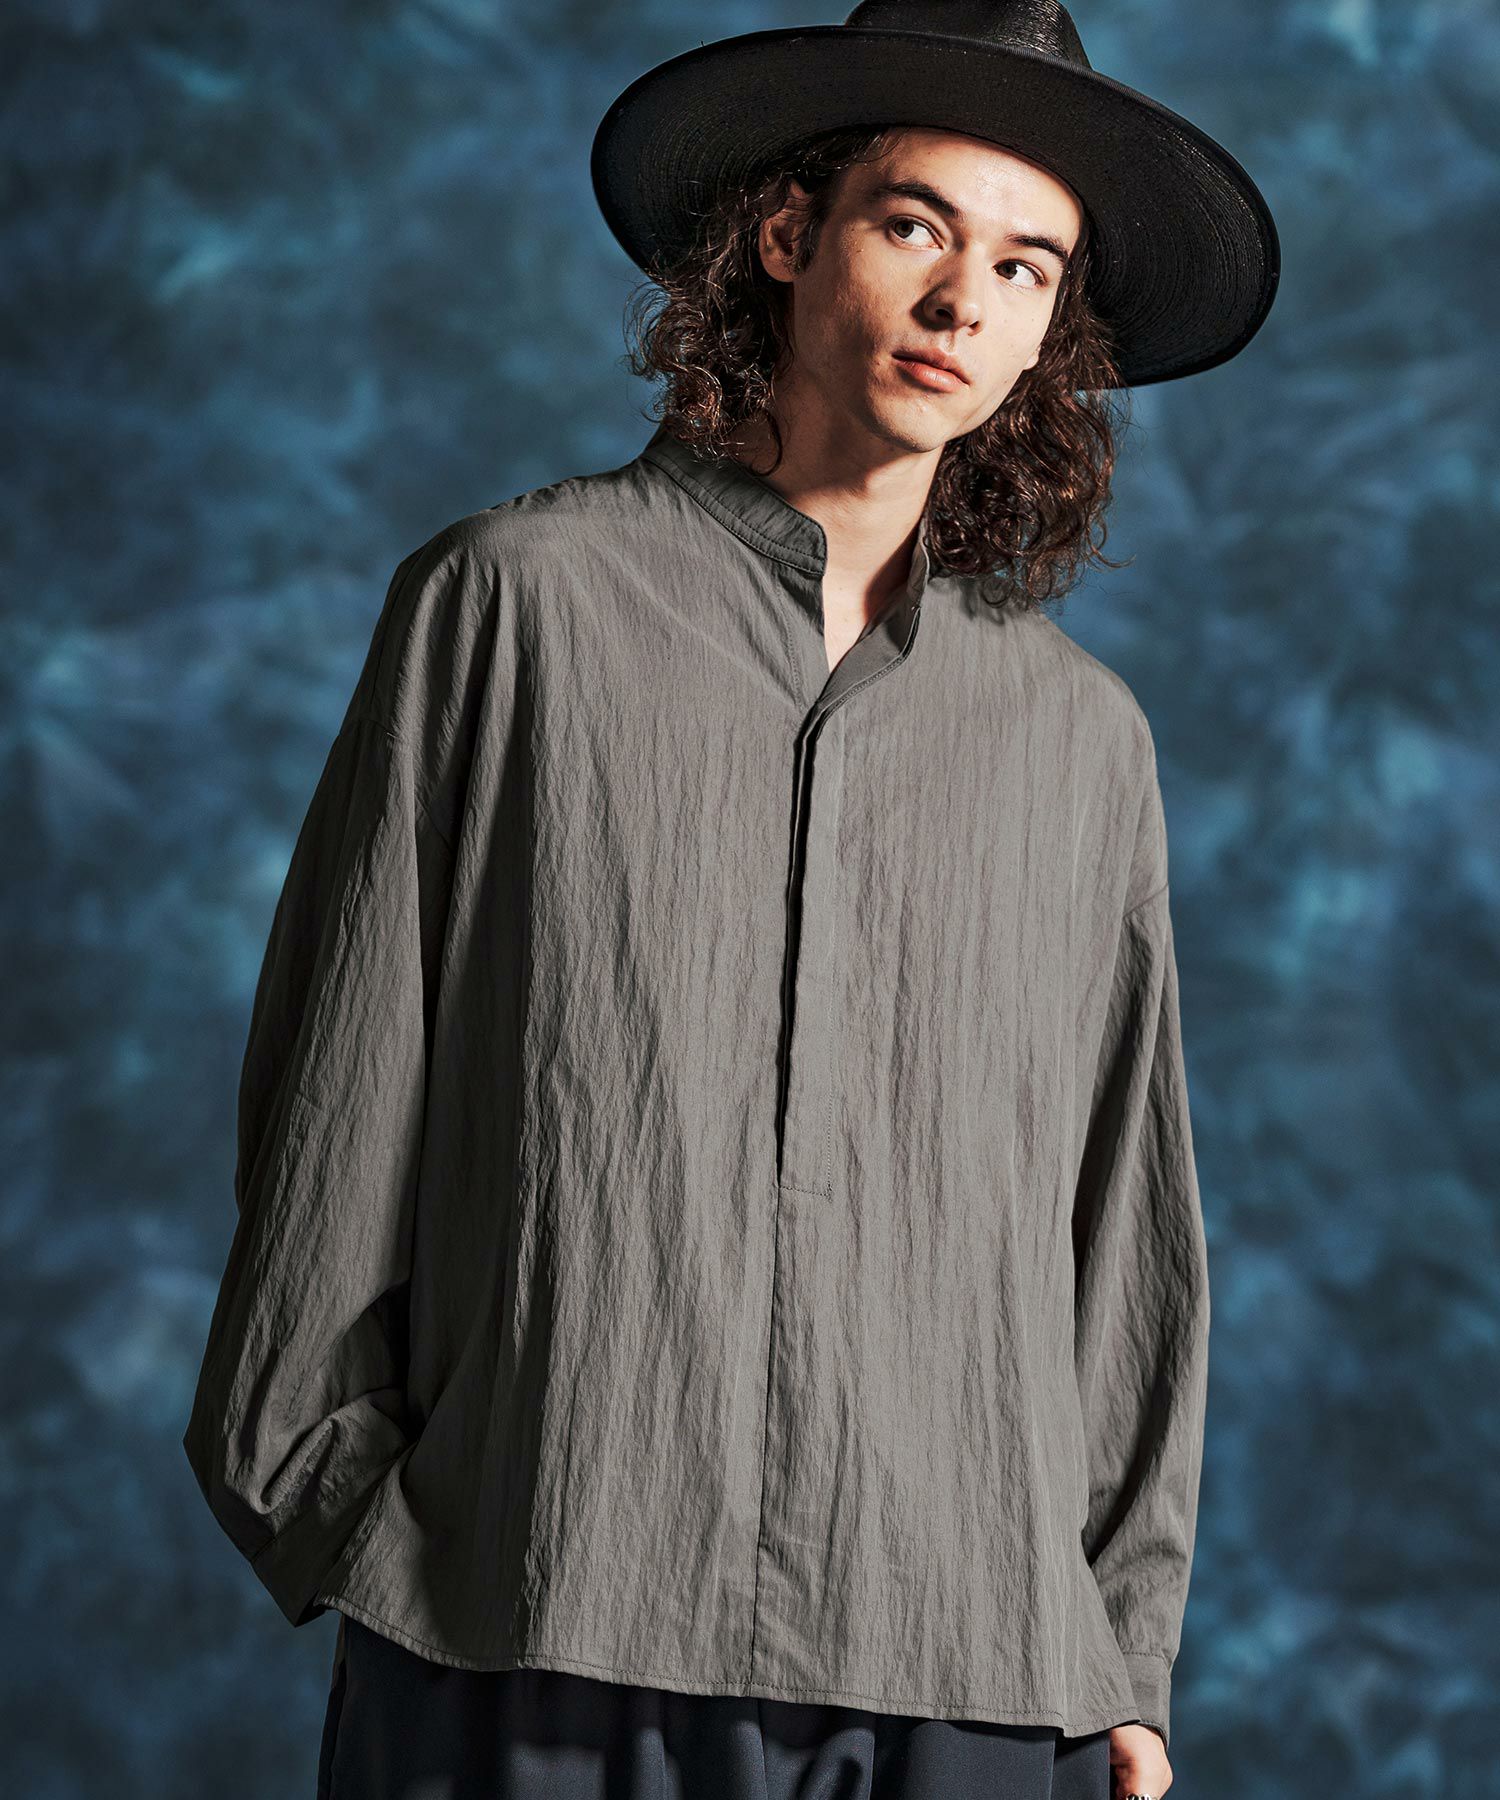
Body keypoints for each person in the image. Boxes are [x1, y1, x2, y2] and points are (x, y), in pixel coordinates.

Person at [182, 3, 1280, 1797]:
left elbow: (1121, 1224)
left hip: (965, 1660)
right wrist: (361, 1527)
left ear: (1049, 332)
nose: (964, 303)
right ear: (786, 234)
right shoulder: (512, 609)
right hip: (534, 1610)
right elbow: (337, 1098)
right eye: (916, 225)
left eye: (1024, 267)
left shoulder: (1082, 741)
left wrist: (1119, 1653)